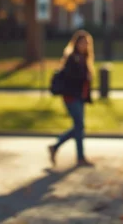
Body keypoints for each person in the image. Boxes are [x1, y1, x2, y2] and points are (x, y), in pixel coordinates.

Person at [48, 30, 94, 167]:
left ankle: (58, 148)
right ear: (76, 43)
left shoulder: (84, 58)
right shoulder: (72, 58)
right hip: (71, 97)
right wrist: (84, 77)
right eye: (81, 42)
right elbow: (71, 78)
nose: (84, 45)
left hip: (80, 97)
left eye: (86, 43)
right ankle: (77, 156)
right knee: (79, 126)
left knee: (79, 127)